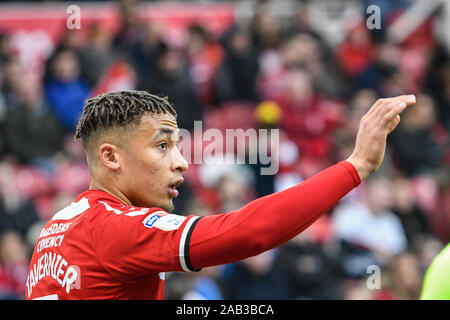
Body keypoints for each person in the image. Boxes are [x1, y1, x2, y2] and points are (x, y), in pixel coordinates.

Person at [25, 90, 416, 300]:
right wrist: (356, 166)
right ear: (110, 156)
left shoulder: (55, 229)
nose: (180, 163)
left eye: (178, 146)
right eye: (162, 146)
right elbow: (245, 234)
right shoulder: (113, 227)